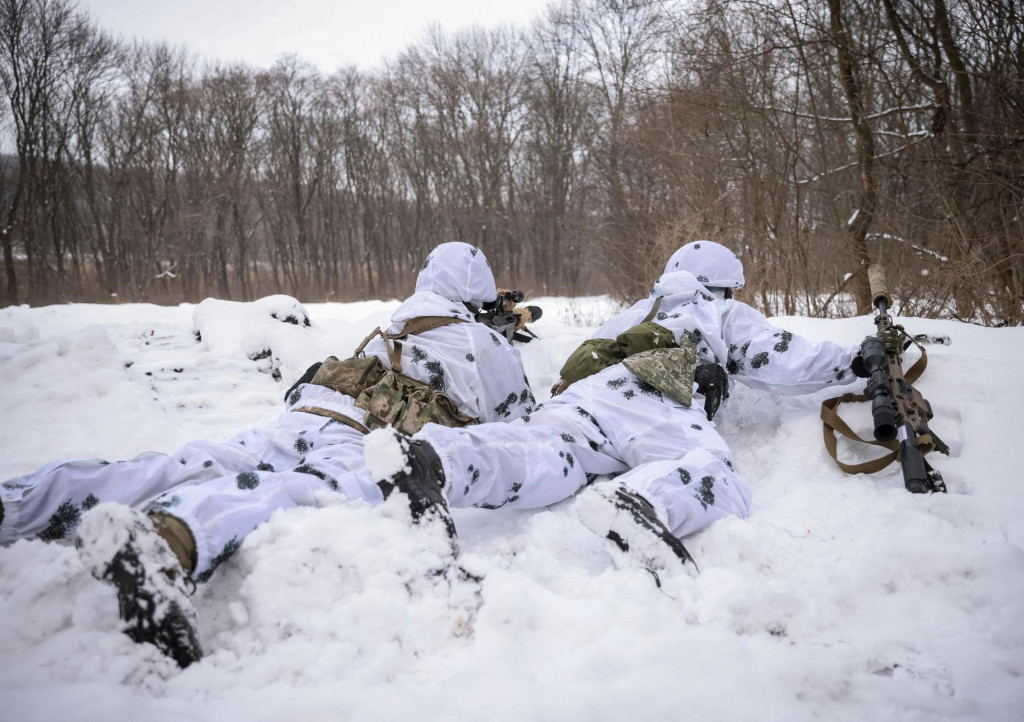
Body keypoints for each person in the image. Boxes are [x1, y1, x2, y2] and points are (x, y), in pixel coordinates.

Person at [0, 241, 537, 667]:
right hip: (361, 439)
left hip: (305, 416)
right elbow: (521, 430)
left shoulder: (402, 316)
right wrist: (500, 342)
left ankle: (25, 502)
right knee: (293, 493)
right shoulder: (483, 344)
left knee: (195, 461)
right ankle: (170, 539)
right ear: (484, 295)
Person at [380, 240, 860, 577]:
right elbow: (779, 358)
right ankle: (647, 502)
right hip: (654, 399)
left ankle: (439, 460)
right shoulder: (715, 309)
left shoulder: (632, 313)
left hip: (584, 399)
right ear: (722, 287)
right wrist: (857, 361)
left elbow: (580, 366)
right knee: (716, 474)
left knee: (543, 452)